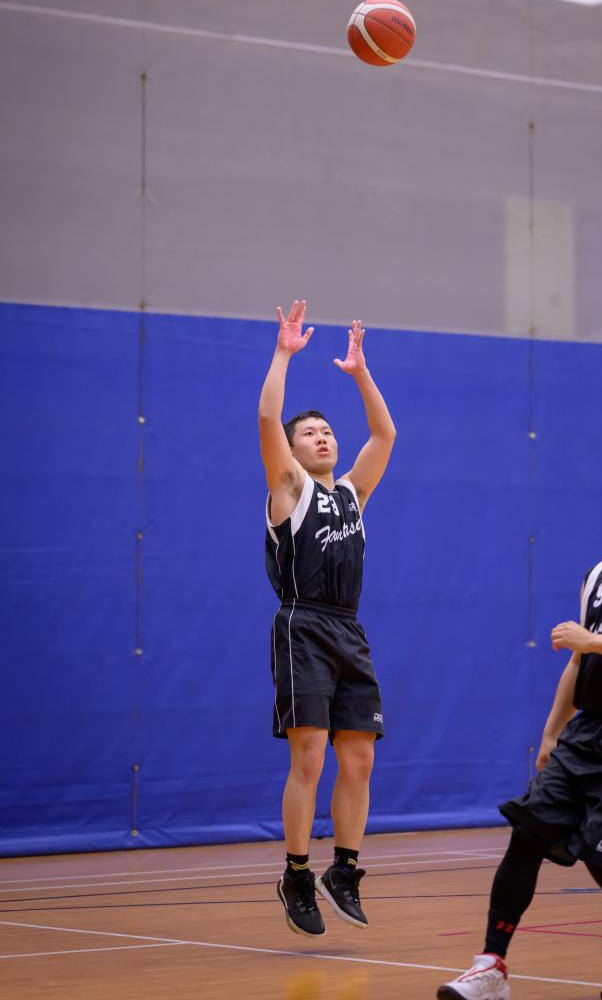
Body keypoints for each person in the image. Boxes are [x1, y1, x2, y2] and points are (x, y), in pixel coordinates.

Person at [438, 457, 602, 1000]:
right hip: (588, 731)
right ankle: (491, 965)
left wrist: (594, 641)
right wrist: (552, 731)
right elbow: (579, 664)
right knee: (528, 832)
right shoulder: (600, 574)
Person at [258, 300, 396, 937]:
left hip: (349, 629)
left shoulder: (352, 494)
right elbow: (268, 416)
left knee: (359, 759)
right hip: (303, 625)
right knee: (309, 759)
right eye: (309, 433)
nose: (322, 437)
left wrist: (361, 374)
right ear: (290, 451)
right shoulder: (289, 490)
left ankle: (343, 870)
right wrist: (283, 354)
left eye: (327, 431)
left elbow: (384, 436)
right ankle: (295, 873)